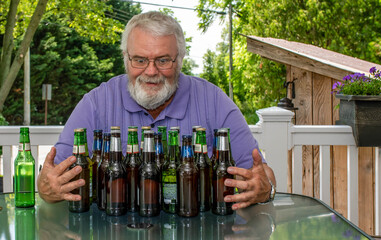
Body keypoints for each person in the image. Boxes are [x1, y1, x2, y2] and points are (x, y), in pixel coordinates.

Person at [38, 11, 276, 210]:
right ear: (125, 58)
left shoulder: (214, 101)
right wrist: (47, 188)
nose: (150, 71)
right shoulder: (96, 103)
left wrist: (266, 190)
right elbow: (52, 177)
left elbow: (262, 176)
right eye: (139, 60)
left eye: (163, 60)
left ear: (179, 59)